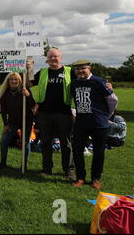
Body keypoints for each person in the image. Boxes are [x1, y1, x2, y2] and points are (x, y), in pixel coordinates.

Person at [27, 47, 76, 176]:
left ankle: (68, 170)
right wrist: (29, 69)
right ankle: (46, 169)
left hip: (64, 113)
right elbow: (29, 84)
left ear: (61, 57)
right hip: (44, 113)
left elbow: (83, 82)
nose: (53, 59)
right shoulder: (43, 72)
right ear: (47, 60)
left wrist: (105, 84)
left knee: (65, 144)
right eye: (50, 57)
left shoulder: (70, 71)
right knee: (45, 142)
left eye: (56, 56)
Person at [70, 60, 118, 189]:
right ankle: (80, 177)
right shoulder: (74, 84)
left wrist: (106, 115)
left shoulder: (98, 82)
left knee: (98, 152)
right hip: (81, 123)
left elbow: (113, 100)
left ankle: (95, 178)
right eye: (77, 69)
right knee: (77, 151)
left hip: (99, 124)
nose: (80, 71)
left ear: (89, 68)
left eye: (83, 68)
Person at [0, 72, 36, 170]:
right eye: (11, 79)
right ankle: (3, 163)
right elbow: (3, 111)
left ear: (19, 81)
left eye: (16, 79)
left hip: (26, 121)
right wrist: (5, 124)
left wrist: (28, 96)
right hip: (12, 122)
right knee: (4, 141)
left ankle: (24, 165)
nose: (14, 81)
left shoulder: (24, 90)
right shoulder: (5, 94)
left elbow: (33, 105)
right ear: (8, 81)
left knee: (25, 142)